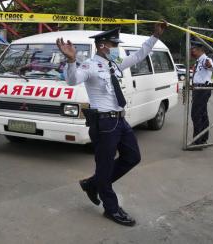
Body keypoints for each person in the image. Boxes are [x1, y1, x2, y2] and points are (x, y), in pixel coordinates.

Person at [56, 22, 167, 226]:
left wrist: (154, 37)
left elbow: (139, 55)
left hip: (120, 120)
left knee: (133, 157)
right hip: (104, 123)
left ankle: (92, 183)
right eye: (113, 45)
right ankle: (111, 208)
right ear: (102, 46)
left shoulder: (113, 64)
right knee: (105, 168)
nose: (116, 48)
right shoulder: (89, 65)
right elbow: (72, 81)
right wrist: (71, 60)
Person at [190, 41, 213, 147]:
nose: (191, 51)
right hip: (198, 89)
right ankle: (203, 138)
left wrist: (209, 66)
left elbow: (211, 67)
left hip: (203, 89)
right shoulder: (198, 61)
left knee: (196, 114)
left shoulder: (206, 59)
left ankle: (197, 141)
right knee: (202, 115)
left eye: (193, 49)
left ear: (200, 50)